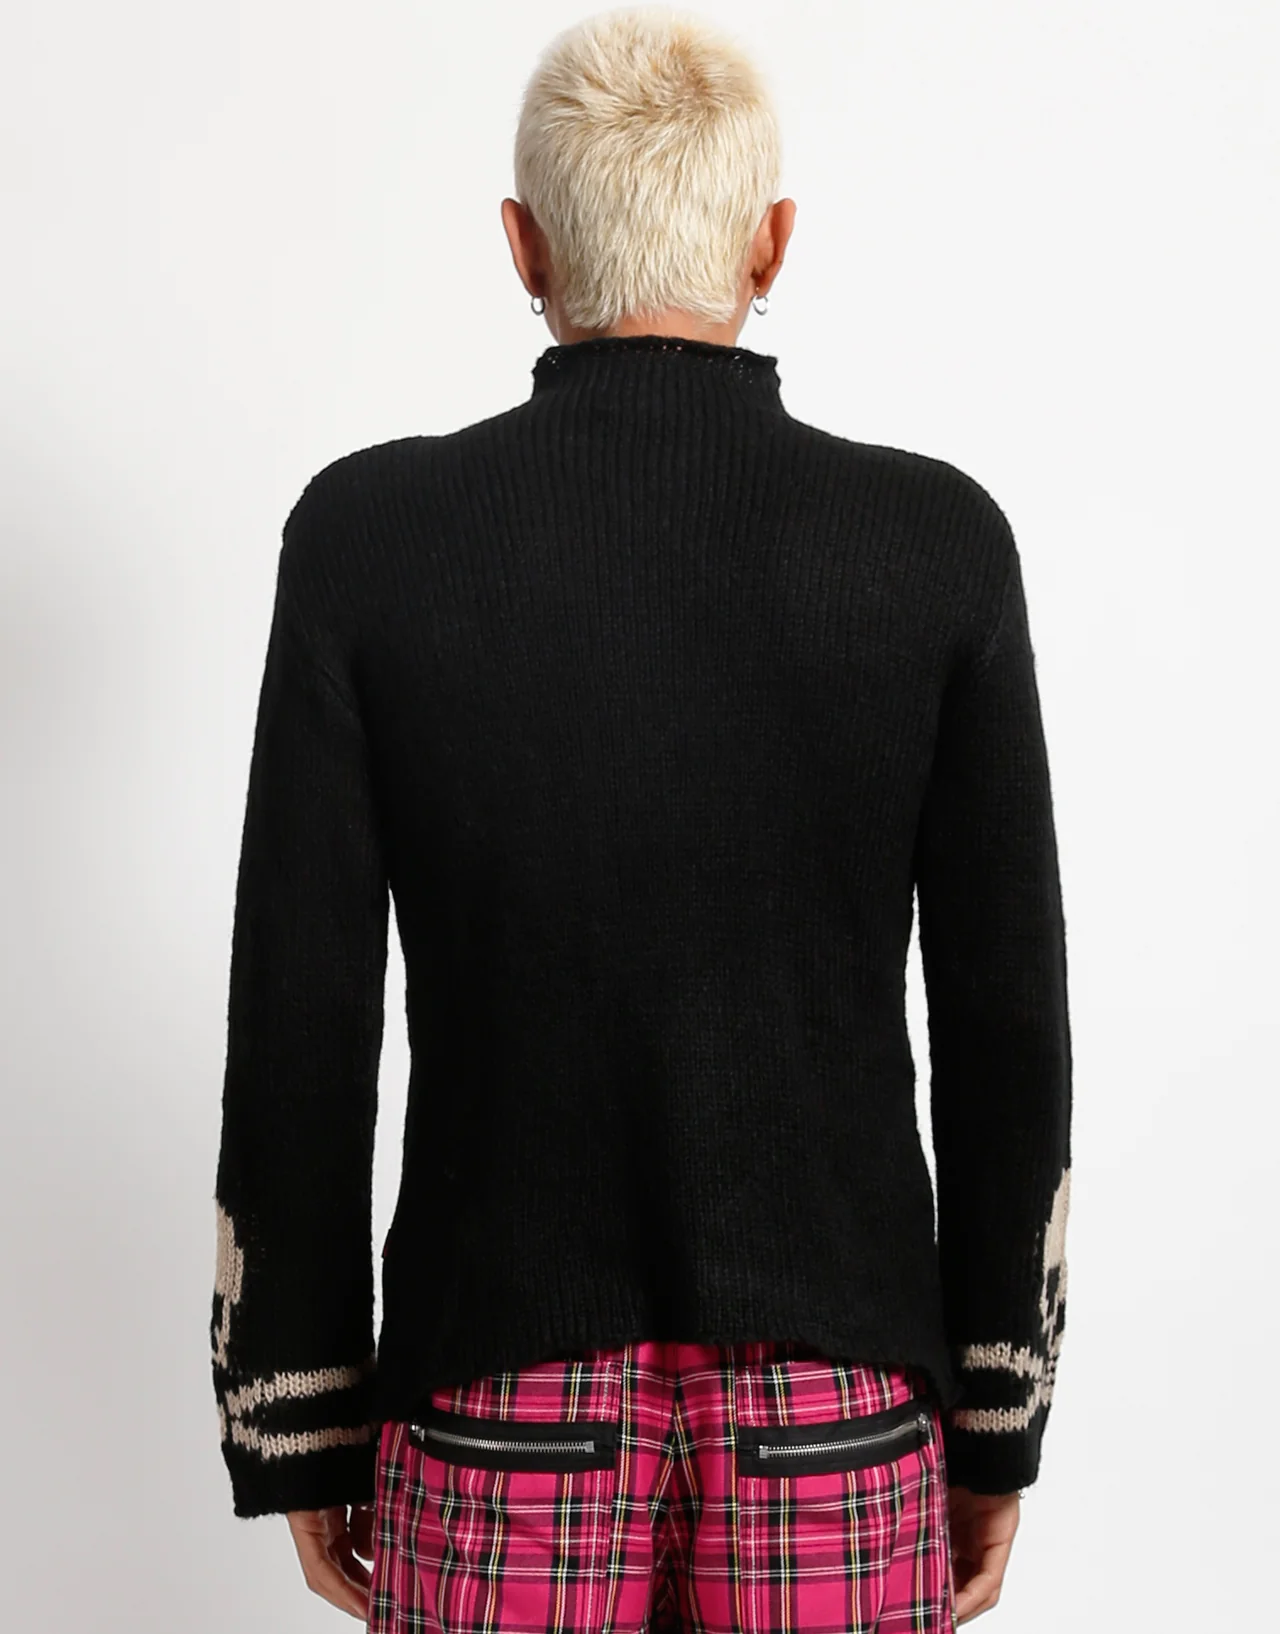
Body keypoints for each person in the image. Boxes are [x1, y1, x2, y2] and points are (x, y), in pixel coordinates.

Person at [210, 7, 1072, 1630]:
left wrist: (298, 1407)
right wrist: (998, 1410)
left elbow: (301, 1015)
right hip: (838, 1415)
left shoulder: (368, 540)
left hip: (496, 1407)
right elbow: (1007, 1020)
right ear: (772, 242)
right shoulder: (937, 545)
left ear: (524, 246)